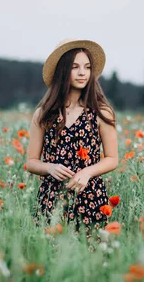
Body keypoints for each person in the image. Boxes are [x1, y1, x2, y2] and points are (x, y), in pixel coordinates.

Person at [26, 38, 118, 236]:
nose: (82, 72)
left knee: (90, 257)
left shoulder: (101, 112)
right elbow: (31, 162)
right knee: (50, 256)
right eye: (75, 67)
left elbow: (112, 159)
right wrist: (49, 167)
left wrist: (87, 173)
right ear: (63, 71)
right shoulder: (44, 114)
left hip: (90, 196)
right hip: (52, 198)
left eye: (87, 67)